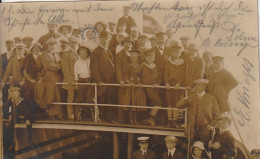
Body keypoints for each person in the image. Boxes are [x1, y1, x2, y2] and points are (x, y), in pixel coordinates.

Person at [176, 79, 221, 144]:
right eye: (196, 85)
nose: (197, 86)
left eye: (199, 85)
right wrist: (187, 97)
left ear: (204, 86)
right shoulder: (191, 97)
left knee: (204, 149)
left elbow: (217, 115)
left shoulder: (212, 99)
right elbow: (179, 106)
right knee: (192, 149)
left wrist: (211, 125)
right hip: (192, 130)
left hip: (205, 130)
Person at [90, 31, 117, 123]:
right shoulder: (95, 52)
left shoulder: (108, 51)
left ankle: (109, 119)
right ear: (100, 39)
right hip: (102, 82)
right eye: (104, 38)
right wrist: (98, 80)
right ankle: (100, 118)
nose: (106, 40)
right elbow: (94, 68)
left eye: (108, 38)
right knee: (101, 100)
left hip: (110, 81)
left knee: (110, 100)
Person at [35, 37, 62, 120]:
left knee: (57, 96)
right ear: (47, 46)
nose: (52, 46)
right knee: (51, 96)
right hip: (49, 78)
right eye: (50, 45)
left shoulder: (57, 54)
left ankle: (57, 114)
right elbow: (46, 66)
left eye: (53, 45)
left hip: (57, 78)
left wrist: (55, 65)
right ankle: (52, 114)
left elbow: (61, 65)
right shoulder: (44, 54)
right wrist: (56, 66)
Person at [137, 50, 163, 126]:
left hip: (155, 88)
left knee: (156, 103)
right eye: (149, 57)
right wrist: (139, 83)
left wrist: (157, 84)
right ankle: (150, 118)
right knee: (158, 103)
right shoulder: (143, 65)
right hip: (146, 88)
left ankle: (151, 119)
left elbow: (160, 77)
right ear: (146, 58)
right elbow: (136, 74)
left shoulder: (155, 66)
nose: (150, 58)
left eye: (152, 57)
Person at [164, 41, 185, 127]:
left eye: (178, 52)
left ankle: (174, 121)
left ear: (180, 53)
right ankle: (170, 120)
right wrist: (166, 82)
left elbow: (182, 74)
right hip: (169, 84)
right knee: (169, 102)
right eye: (174, 52)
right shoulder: (168, 61)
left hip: (177, 85)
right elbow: (165, 72)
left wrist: (179, 83)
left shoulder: (182, 62)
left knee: (175, 103)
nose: (176, 54)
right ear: (172, 53)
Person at [124, 50, 146, 124]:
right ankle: (131, 119)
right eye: (132, 57)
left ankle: (135, 119)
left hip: (138, 87)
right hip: (131, 88)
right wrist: (130, 83)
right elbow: (126, 78)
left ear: (138, 58)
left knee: (137, 103)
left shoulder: (141, 66)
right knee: (131, 103)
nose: (133, 59)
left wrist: (141, 83)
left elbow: (143, 76)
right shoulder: (128, 66)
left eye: (135, 57)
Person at [116, 37, 134, 123]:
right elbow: (118, 68)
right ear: (123, 45)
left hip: (132, 81)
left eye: (130, 44)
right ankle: (121, 118)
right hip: (123, 81)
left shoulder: (134, 54)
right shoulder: (119, 54)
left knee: (131, 99)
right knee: (122, 100)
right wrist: (121, 80)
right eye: (126, 44)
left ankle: (131, 119)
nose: (128, 45)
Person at [61, 36, 80, 120]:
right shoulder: (66, 54)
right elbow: (65, 70)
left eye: (75, 43)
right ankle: (70, 115)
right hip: (70, 82)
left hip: (79, 80)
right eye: (72, 43)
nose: (74, 45)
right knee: (70, 99)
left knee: (78, 99)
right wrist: (71, 81)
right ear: (69, 44)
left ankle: (78, 115)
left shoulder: (79, 54)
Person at [74, 46, 93, 121]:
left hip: (88, 80)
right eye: (81, 54)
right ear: (79, 54)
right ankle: (78, 115)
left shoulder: (89, 61)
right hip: (81, 80)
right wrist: (76, 82)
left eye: (84, 54)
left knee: (88, 97)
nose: (83, 55)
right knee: (80, 97)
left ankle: (87, 114)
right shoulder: (77, 62)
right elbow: (75, 72)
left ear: (87, 54)